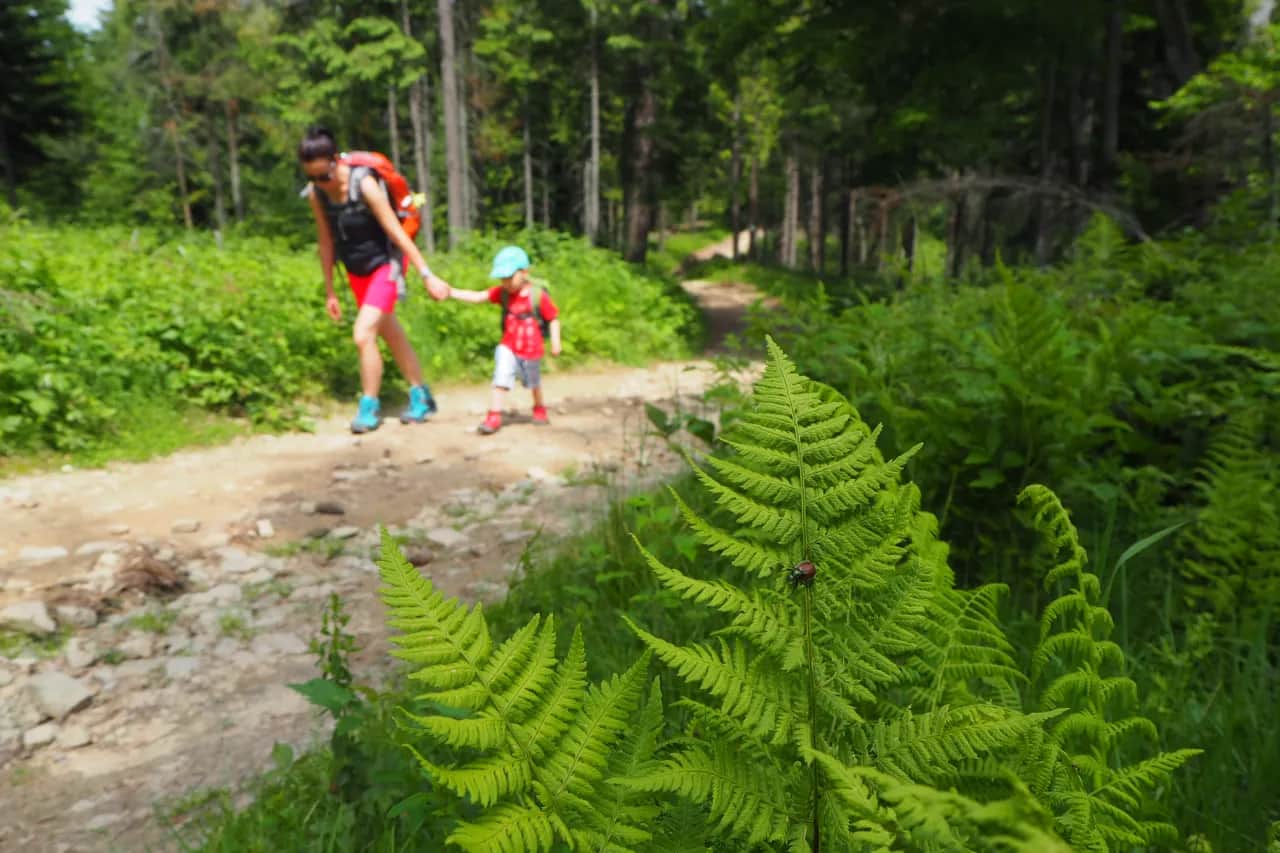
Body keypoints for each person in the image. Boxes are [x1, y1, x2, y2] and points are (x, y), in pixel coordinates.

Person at [298, 125, 451, 434]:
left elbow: (396, 232)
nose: (320, 183)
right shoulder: (317, 194)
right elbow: (325, 242)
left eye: (323, 175)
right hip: (356, 271)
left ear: (336, 161)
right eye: (312, 177)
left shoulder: (365, 185)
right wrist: (330, 291)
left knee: (362, 334)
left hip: (386, 266)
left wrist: (426, 274)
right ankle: (421, 395)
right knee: (390, 332)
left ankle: (369, 406)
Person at [447, 245, 561, 435]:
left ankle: (539, 407)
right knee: (501, 377)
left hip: (531, 348)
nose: (506, 282)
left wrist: (556, 342)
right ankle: (494, 416)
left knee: (533, 383)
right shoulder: (503, 294)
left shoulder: (537, 295)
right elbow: (478, 296)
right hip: (508, 346)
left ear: (524, 272)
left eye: (509, 277)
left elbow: (553, 318)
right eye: (502, 278)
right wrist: (451, 292)